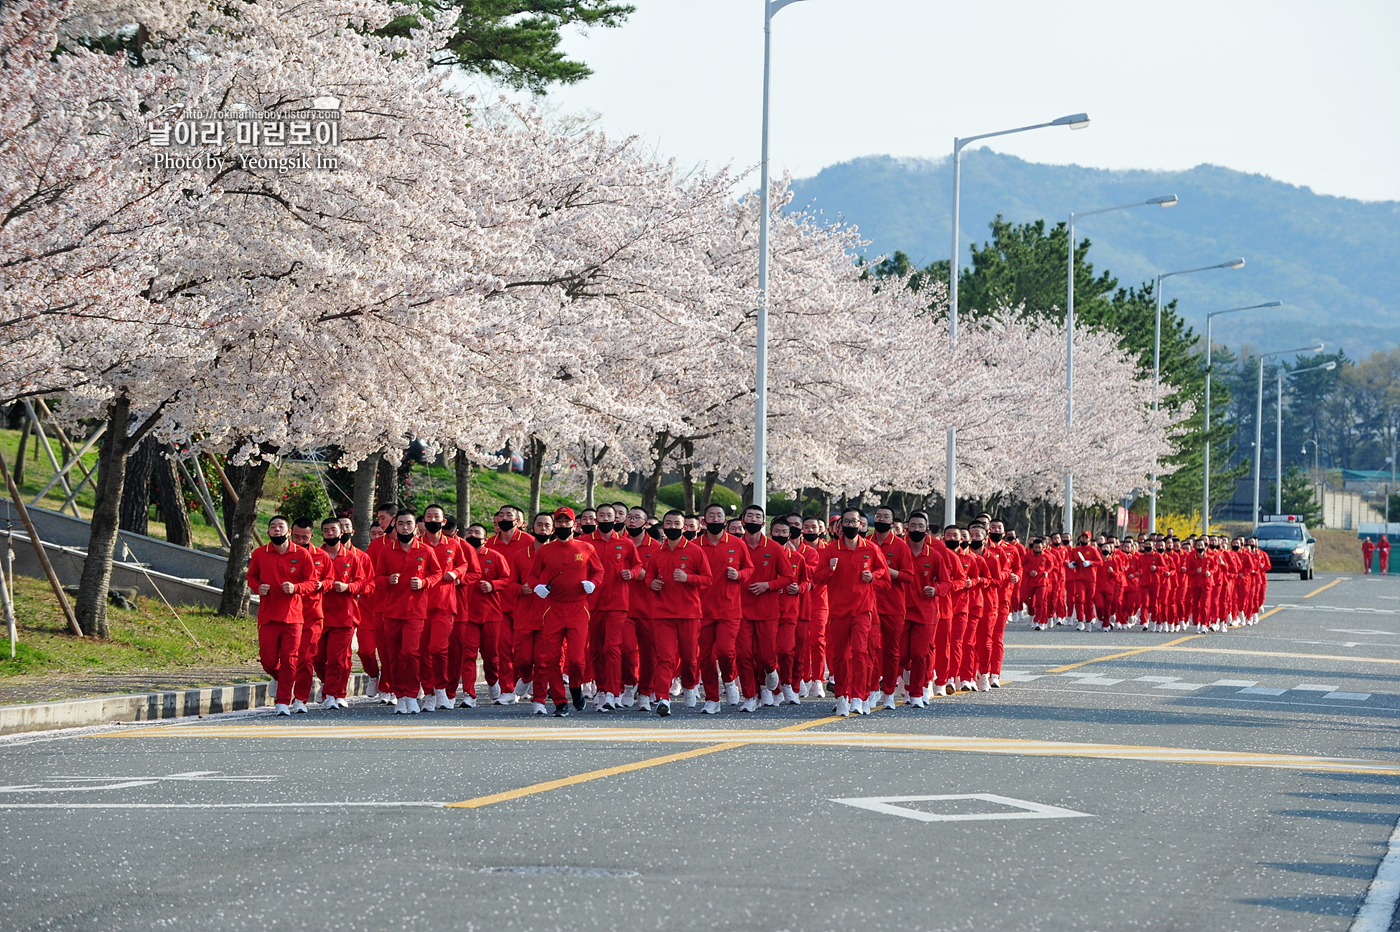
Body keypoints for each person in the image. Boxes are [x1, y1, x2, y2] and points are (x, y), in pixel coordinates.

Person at [524, 507, 604, 716]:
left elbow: (599, 571)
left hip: (578, 608)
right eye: (558, 522)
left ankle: (576, 688)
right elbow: (532, 575)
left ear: (573, 525)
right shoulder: (544, 551)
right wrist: (537, 587)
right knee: (551, 658)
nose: (562, 525)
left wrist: (593, 584)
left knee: (577, 660)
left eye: (566, 522)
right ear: (554, 526)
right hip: (553, 608)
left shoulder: (586, 547)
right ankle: (560, 701)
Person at [814, 508, 889, 716]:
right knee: (841, 656)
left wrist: (872, 576)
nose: (850, 525)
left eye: (854, 522)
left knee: (860, 651)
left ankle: (859, 696)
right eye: (845, 522)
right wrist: (830, 569)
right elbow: (816, 579)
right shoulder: (830, 550)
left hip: (863, 610)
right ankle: (842, 697)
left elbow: (885, 579)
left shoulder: (871, 549)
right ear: (840, 527)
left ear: (861, 525)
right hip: (838, 611)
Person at [247, 515, 319, 715]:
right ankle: (282, 678)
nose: (276, 529)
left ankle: (282, 702)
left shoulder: (302, 555)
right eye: (272, 527)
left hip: (293, 617)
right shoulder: (260, 554)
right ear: (268, 532)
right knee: (268, 661)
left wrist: (296, 588)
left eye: (281, 526)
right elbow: (251, 576)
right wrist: (258, 587)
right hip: (268, 615)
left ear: (288, 532)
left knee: (290, 660)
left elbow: (312, 582)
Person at [374, 509, 444, 714]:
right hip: (392, 611)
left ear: (416, 526)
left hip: (415, 611)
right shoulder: (386, 551)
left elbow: (437, 573)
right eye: (401, 523)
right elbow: (376, 578)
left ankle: (413, 695)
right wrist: (388, 581)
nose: (405, 527)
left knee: (411, 653)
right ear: (395, 526)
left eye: (409, 523)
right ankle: (400, 695)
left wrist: (424, 582)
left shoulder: (426, 551)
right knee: (394, 656)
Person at [644, 509, 713, 714]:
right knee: (665, 658)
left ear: (684, 528)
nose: (672, 527)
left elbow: (708, 579)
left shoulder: (695, 551)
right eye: (669, 523)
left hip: (689, 613)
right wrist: (652, 583)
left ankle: (690, 686)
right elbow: (648, 577)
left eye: (676, 524)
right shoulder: (657, 552)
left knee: (689, 657)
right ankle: (663, 698)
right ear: (663, 527)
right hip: (663, 613)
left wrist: (689, 578)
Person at [734, 505, 795, 712]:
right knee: (743, 654)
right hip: (739, 609)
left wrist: (767, 585)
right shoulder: (735, 545)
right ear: (742, 521)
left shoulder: (774, 548)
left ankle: (771, 673)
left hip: (767, 610)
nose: (753, 519)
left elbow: (788, 577)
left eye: (757, 517)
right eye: (749, 516)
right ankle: (750, 696)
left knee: (767, 656)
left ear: (763, 523)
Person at [419, 503, 478, 710]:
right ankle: (428, 692)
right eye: (429, 516)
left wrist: (456, 573)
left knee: (439, 648)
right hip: (420, 604)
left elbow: (465, 565)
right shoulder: (417, 545)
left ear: (444, 522)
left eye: (437, 517)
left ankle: (442, 688)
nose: (433, 520)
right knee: (422, 651)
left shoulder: (454, 544)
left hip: (445, 603)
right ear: (423, 521)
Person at [586, 504, 643, 712]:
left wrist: (632, 573)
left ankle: (612, 692)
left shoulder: (626, 544)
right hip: (592, 604)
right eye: (601, 515)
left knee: (613, 647)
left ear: (617, 519)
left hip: (618, 603)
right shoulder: (584, 543)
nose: (606, 518)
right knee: (596, 649)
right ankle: (600, 688)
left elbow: (637, 565)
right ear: (595, 519)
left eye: (609, 515)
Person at [697, 502, 754, 714]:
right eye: (710, 515)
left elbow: (749, 569)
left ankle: (730, 681)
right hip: (702, 609)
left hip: (729, 608)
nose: (714, 519)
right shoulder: (695, 545)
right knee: (705, 656)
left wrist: (739, 575)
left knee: (726, 651)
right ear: (704, 521)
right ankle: (712, 698)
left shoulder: (737, 544)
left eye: (718, 515)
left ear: (724, 521)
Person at [449, 522, 511, 709]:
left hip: (491, 614)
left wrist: (493, 586)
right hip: (466, 615)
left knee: (491, 656)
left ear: (485, 539)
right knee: (467, 655)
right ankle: (469, 694)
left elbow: (508, 579)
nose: (472, 535)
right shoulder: (458, 556)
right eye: (469, 532)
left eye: (477, 533)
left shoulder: (495, 556)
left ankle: (493, 683)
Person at [316, 515, 372, 709]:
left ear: (342, 533)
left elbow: (363, 583)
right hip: (318, 614)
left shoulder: (353, 558)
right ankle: (327, 685)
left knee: (338, 658)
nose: (330, 533)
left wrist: (348, 587)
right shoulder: (316, 555)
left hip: (344, 616)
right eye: (326, 531)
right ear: (322, 534)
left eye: (334, 530)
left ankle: (333, 694)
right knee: (318, 657)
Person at [288, 517, 334, 713]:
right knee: (288, 657)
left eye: (304, 537)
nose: (300, 541)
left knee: (306, 658)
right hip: (288, 613)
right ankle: (278, 676)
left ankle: (300, 699)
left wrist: (322, 585)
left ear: (311, 536)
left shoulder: (321, 556)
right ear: (290, 534)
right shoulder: (284, 555)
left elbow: (330, 578)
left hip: (312, 613)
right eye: (296, 537)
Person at [489, 506, 535, 704]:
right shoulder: (490, 544)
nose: (505, 518)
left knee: (525, 653)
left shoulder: (529, 542)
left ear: (518, 520)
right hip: (498, 605)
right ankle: (507, 690)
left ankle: (526, 677)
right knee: (503, 649)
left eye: (509, 515)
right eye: (501, 515)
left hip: (526, 604)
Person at [870, 506, 914, 710]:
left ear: (892, 521)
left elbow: (909, 576)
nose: (881, 518)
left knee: (891, 651)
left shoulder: (900, 546)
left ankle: (888, 692)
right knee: (868, 649)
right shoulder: (865, 543)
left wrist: (887, 572)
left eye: (886, 516)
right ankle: (871, 690)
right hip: (868, 605)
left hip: (893, 606)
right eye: (878, 515)